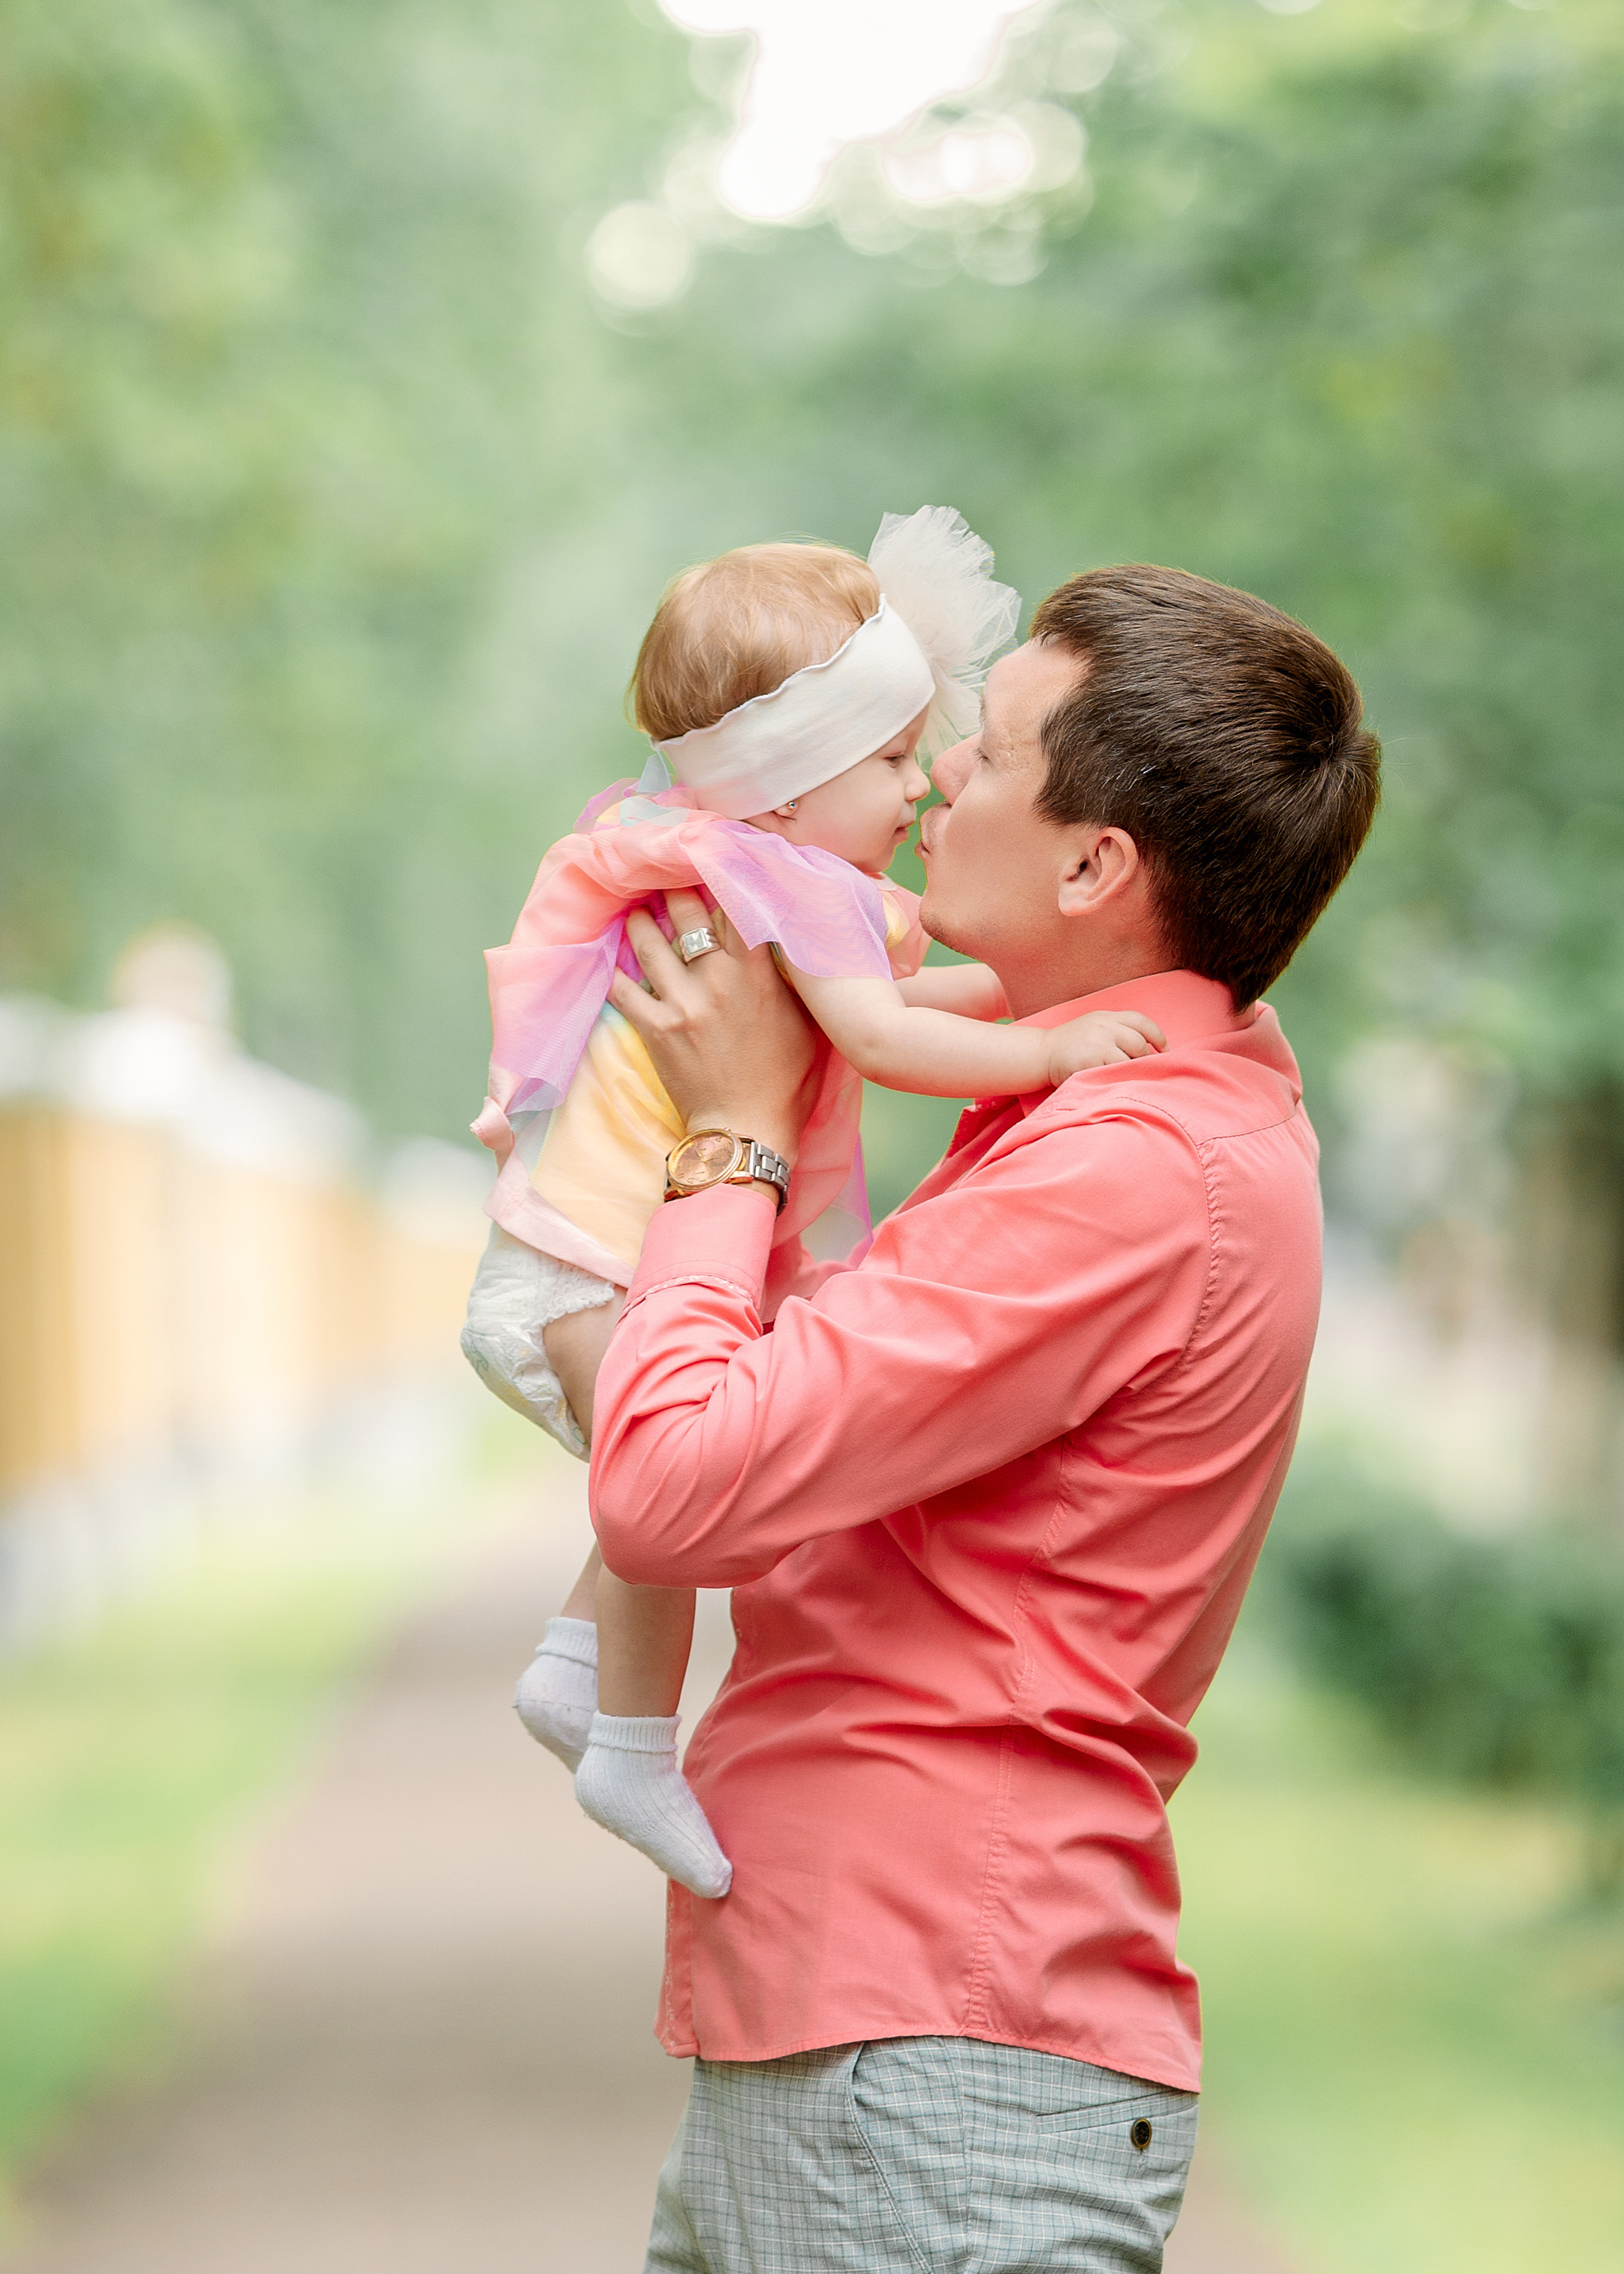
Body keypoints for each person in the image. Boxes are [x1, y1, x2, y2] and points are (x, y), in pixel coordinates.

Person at [586, 564, 1381, 2273]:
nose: (934, 764)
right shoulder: (1136, 1105)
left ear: (1098, 864)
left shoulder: (1122, 1173)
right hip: (886, 2043)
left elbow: (670, 1487)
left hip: (923, 2069)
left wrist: (721, 1139)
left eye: (993, 747)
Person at [461, 510, 1163, 1900]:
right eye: (894, 760)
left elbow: (894, 1000)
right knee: (690, 1490)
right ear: (786, 786)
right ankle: (629, 1740)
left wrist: (1064, 992)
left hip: (567, 1268)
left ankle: (566, 1663)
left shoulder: (739, 860)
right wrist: (1044, 1049)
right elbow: (887, 1041)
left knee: (695, 1466)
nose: (921, 788)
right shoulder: (776, 883)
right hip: (584, 1281)